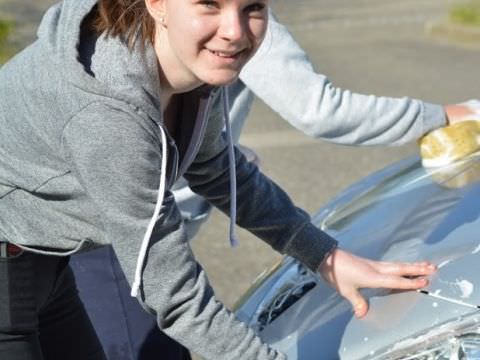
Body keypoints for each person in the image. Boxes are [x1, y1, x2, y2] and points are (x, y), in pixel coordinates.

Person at [0, 0, 451, 359]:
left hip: (45, 259)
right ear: (157, 4)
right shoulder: (107, 114)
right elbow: (175, 297)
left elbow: (216, 167)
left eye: (252, 6)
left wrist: (326, 257)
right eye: (208, 4)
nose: (235, 31)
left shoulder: (190, 67)